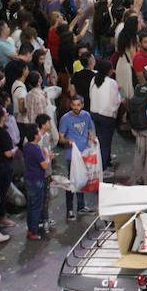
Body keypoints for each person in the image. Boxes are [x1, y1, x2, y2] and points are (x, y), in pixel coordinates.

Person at [58, 92, 96, 220]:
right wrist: (68, 142)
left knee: (82, 180)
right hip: (72, 156)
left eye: (78, 105)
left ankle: (81, 206)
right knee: (72, 182)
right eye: (73, 105)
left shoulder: (86, 116)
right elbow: (60, 138)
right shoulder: (65, 119)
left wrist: (92, 138)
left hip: (84, 154)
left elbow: (90, 130)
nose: (76, 108)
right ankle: (69, 209)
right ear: (70, 105)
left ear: (83, 105)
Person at [22, 122, 50, 240]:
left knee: (31, 205)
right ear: (35, 135)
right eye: (38, 132)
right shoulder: (36, 149)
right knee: (36, 206)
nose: (40, 134)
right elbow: (44, 165)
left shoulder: (26, 147)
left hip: (29, 179)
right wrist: (47, 155)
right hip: (37, 180)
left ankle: (30, 229)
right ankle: (33, 231)